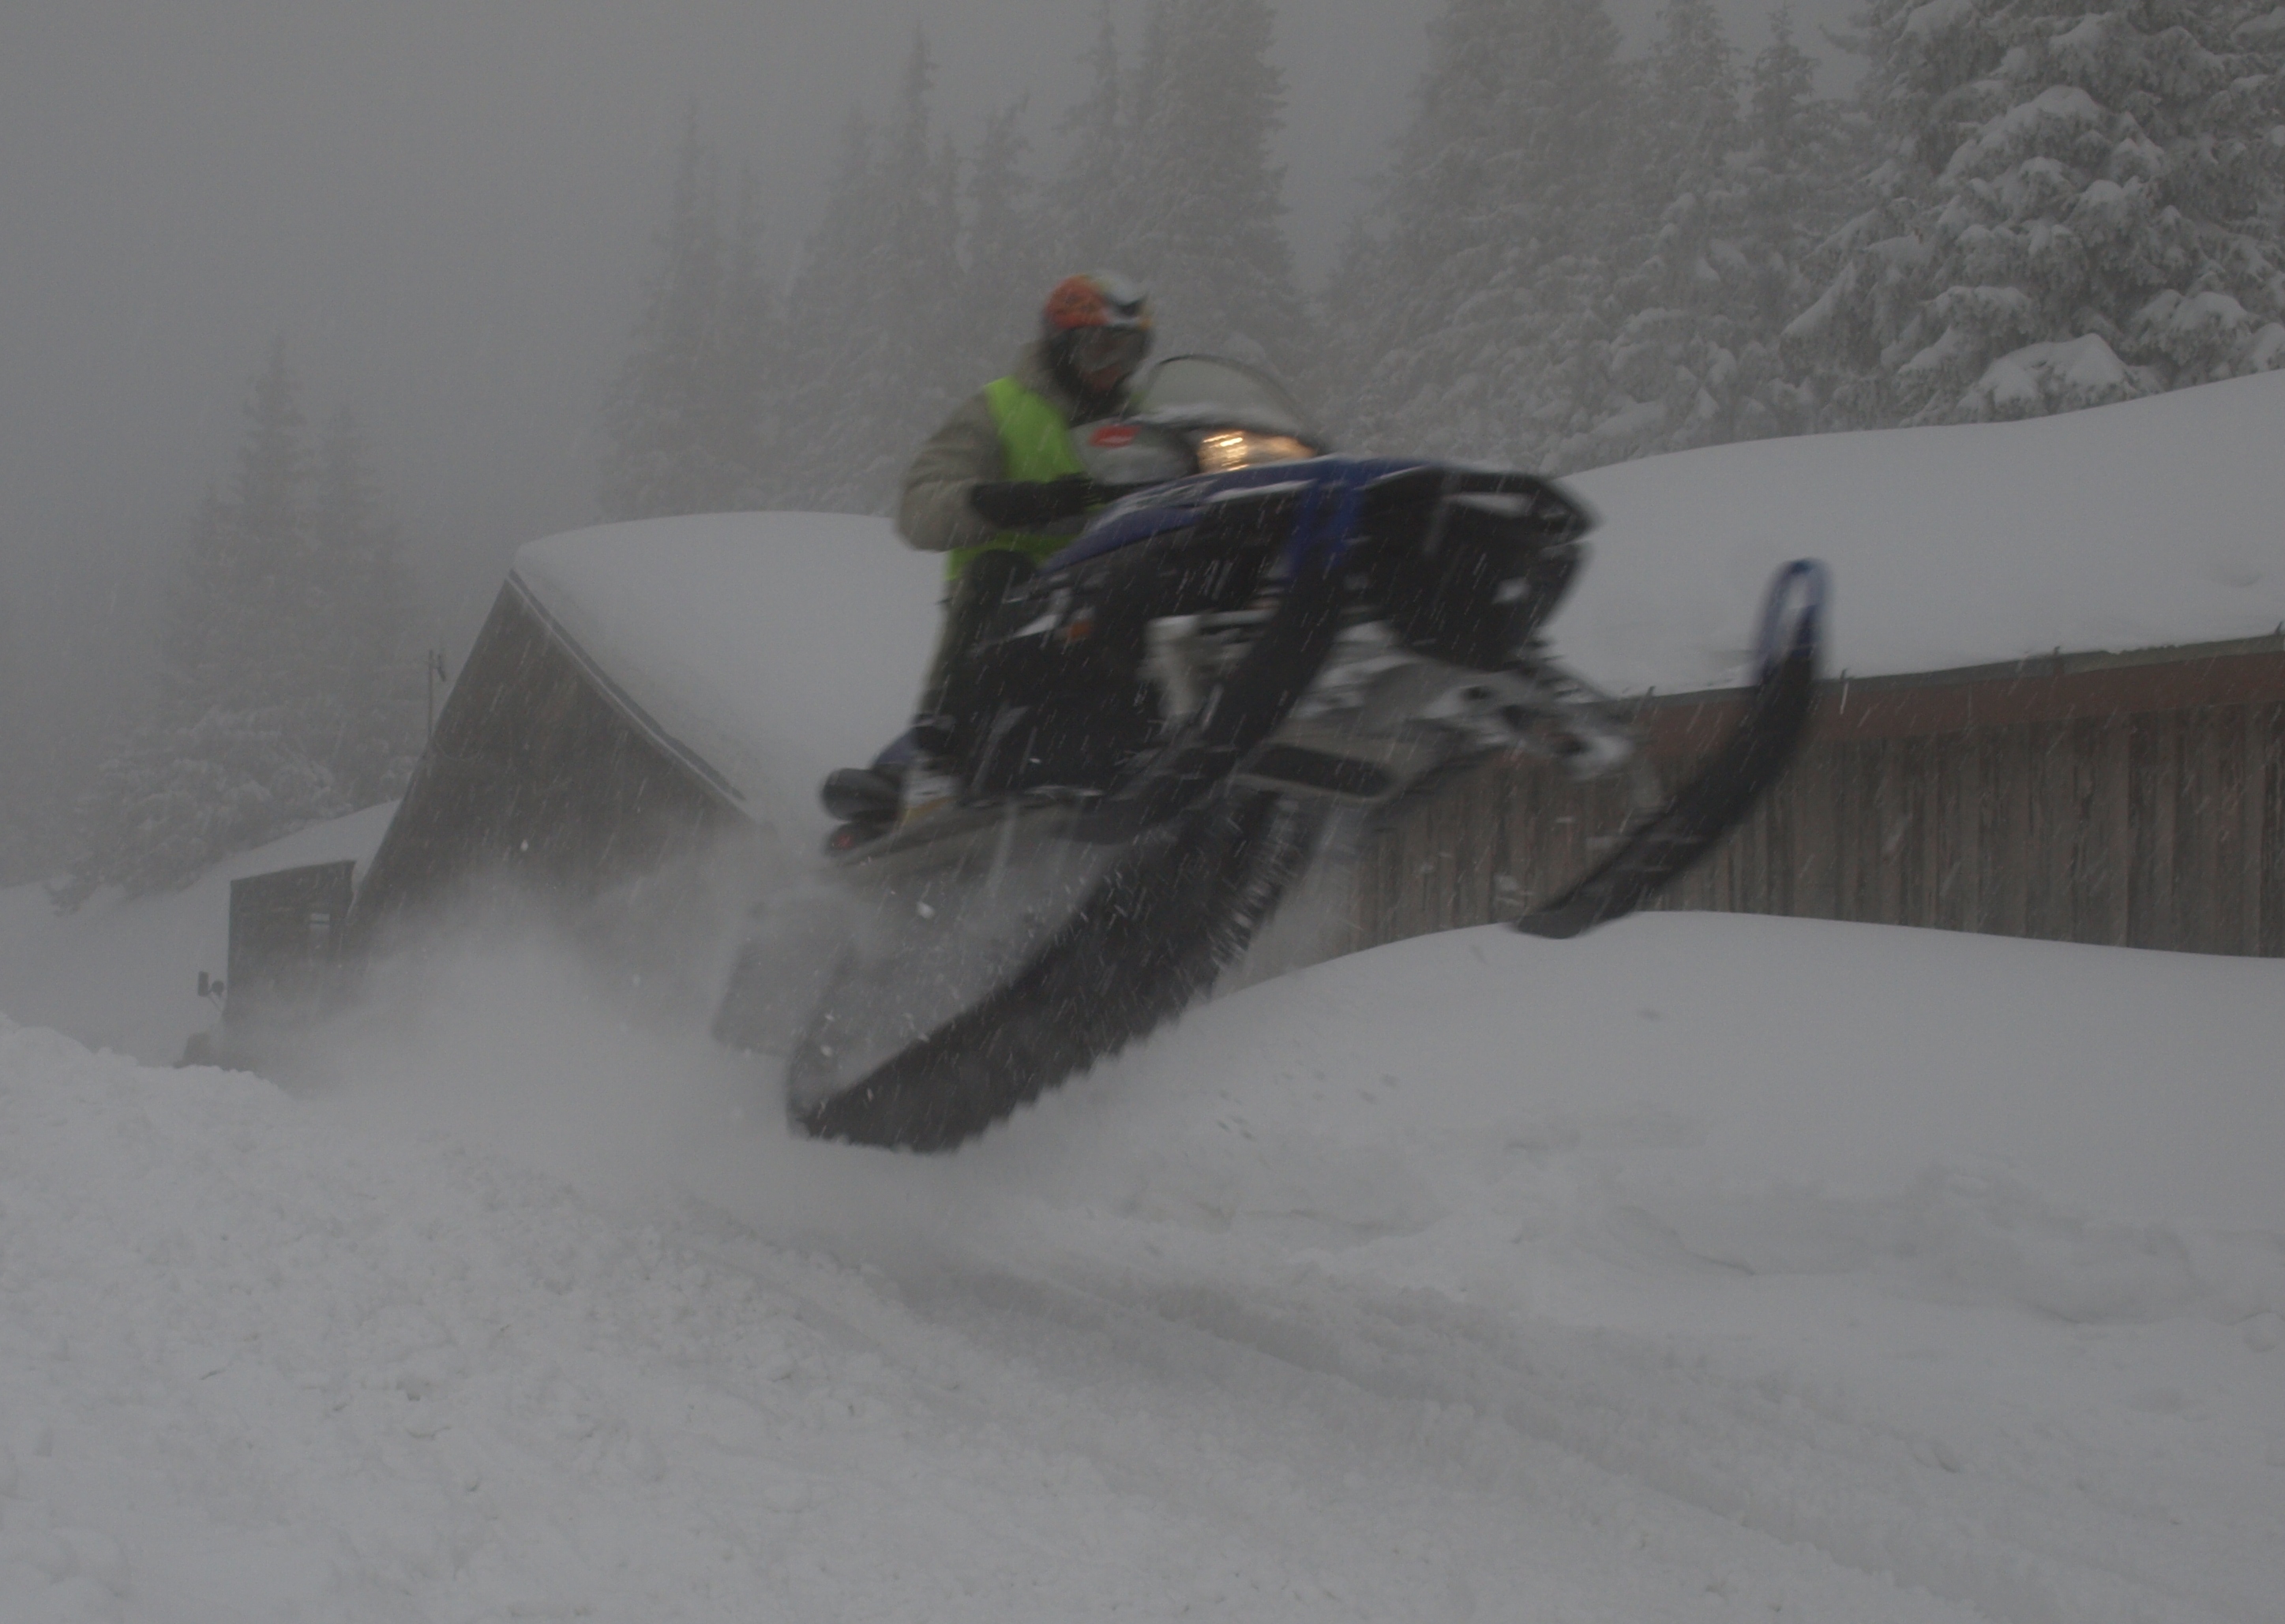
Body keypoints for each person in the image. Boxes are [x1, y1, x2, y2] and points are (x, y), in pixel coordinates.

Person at [865, 272, 1155, 823]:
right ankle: (942, 747)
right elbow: (918, 507)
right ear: (1063, 345)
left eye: (1129, 350)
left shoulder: (1148, 421)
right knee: (998, 568)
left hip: (1115, 592)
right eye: (1098, 348)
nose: (1112, 366)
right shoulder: (999, 409)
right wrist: (1003, 502)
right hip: (1017, 603)